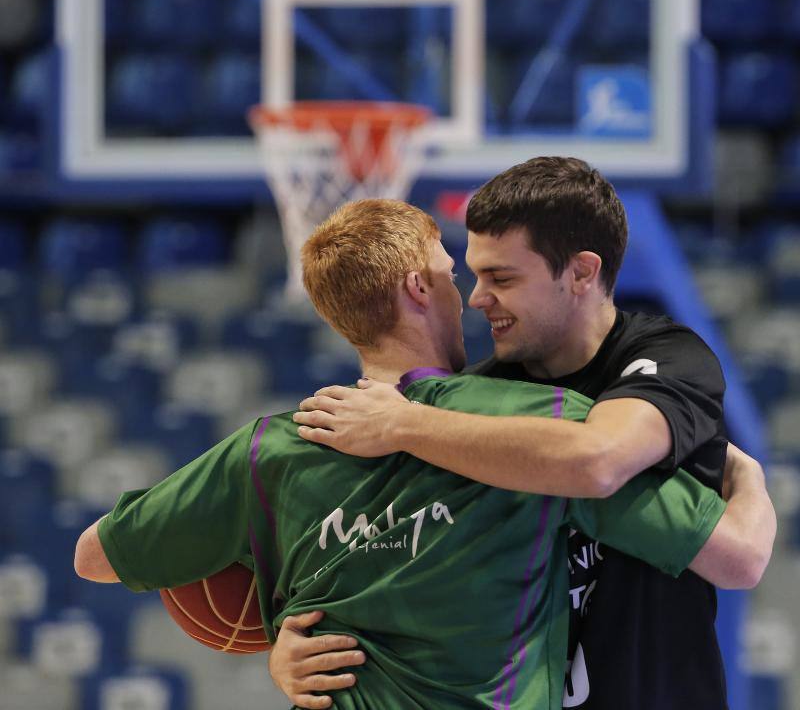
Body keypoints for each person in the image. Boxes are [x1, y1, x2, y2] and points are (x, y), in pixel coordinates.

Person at [73, 199, 771, 710]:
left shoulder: (270, 450)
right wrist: (748, 474)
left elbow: (93, 556)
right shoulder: (541, 429)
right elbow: (735, 553)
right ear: (416, 289)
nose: (469, 294)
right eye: (448, 272)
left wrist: (275, 627)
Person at [286, 160, 777, 710]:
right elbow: (382, 564)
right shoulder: (466, 409)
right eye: (473, 274)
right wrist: (292, 646)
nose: (476, 297)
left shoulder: (665, 359)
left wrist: (403, 423)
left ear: (582, 273)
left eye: (503, 278)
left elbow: (597, 462)